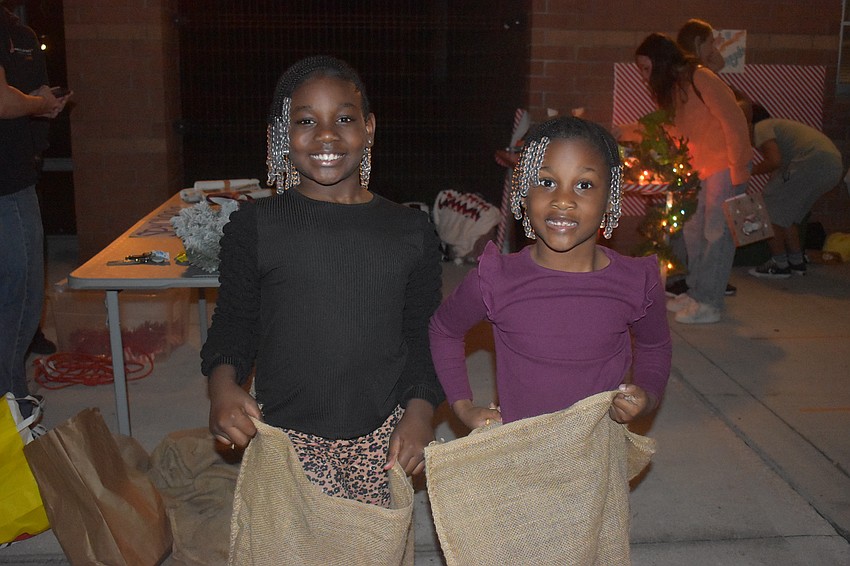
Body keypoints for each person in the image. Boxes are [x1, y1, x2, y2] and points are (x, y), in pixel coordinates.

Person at [201, 56, 444, 513]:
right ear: (281, 131)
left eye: (345, 118)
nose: (327, 134)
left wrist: (421, 411)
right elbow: (235, 321)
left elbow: (423, 335)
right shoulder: (255, 226)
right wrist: (222, 387)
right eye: (306, 120)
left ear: (369, 127)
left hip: (383, 441)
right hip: (285, 438)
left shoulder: (411, 230)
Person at [430, 115, 672, 432]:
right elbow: (444, 329)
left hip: (597, 462)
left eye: (584, 185)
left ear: (610, 199)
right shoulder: (496, 279)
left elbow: (655, 346)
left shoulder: (637, 280)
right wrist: (462, 407)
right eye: (546, 182)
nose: (563, 200)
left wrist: (647, 397)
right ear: (523, 193)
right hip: (520, 460)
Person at [634, 33, 752, 324]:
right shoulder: (676, 89)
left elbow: (734, 120)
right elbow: (668, 129)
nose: (644, 77)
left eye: (646, 69)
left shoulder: (701, 77)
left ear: (661, 62)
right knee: (693, 232)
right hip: (699, 171)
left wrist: (739, 171)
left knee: (716, 234)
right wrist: (626, 132)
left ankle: (709, 301)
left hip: (723, 167)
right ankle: (698, 292)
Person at [1, 3, 69, 417]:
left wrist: (40, 104)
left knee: (18, 296)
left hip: (15, 176)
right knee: (20, 297)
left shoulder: (18, 32)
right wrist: (36, 104)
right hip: (7, 189)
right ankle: (11, 406)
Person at [747, 104, 843, 278]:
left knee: (767, 208)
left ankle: (779, 263)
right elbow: (780, 167)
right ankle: (796, 262)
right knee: (786, 214)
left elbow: (773, 161)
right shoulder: (779, 127)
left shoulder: (761, 127)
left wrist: (746, 171)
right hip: (832, 165)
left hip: (812, 161)